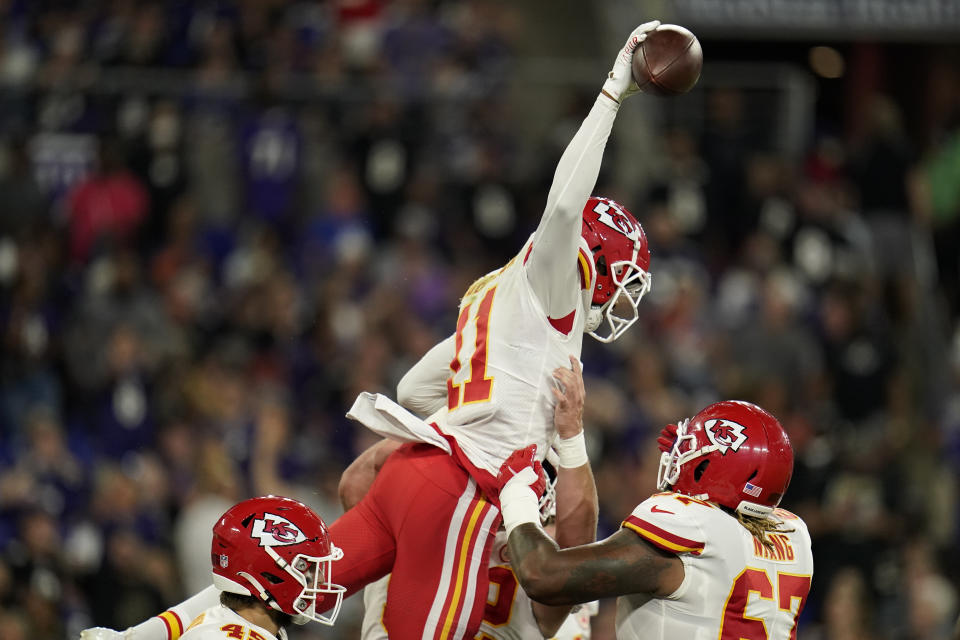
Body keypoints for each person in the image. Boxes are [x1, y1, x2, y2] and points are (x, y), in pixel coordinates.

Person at [81, 19, 659, 640]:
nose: (620, 295)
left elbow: (413, 388)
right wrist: (614, 88)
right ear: (589, 258)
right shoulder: (551, 289)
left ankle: (135, 637)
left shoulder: (492, 300)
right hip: (462, 497)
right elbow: (566, 206)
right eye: (621, 276)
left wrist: (434, 440)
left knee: (278, 584)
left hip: (411, 472)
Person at [497, 400, 814, 639]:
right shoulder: (793, 535)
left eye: (690, 449)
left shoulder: (692, 528)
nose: (678, 455)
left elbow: (543, 576)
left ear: (707, 468)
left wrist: (517, 494)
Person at [355, 360, 599, 640]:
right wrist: (571, 437)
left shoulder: (406, 515)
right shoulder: (539, 565)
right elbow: (576, 549)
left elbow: (357, 481)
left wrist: (459, 429)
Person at [83, 495, 345, 640]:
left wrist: (132, 637)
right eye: (308, 567)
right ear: (269, 574)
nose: (318, 579)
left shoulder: (240, 621)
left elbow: (210, 600)